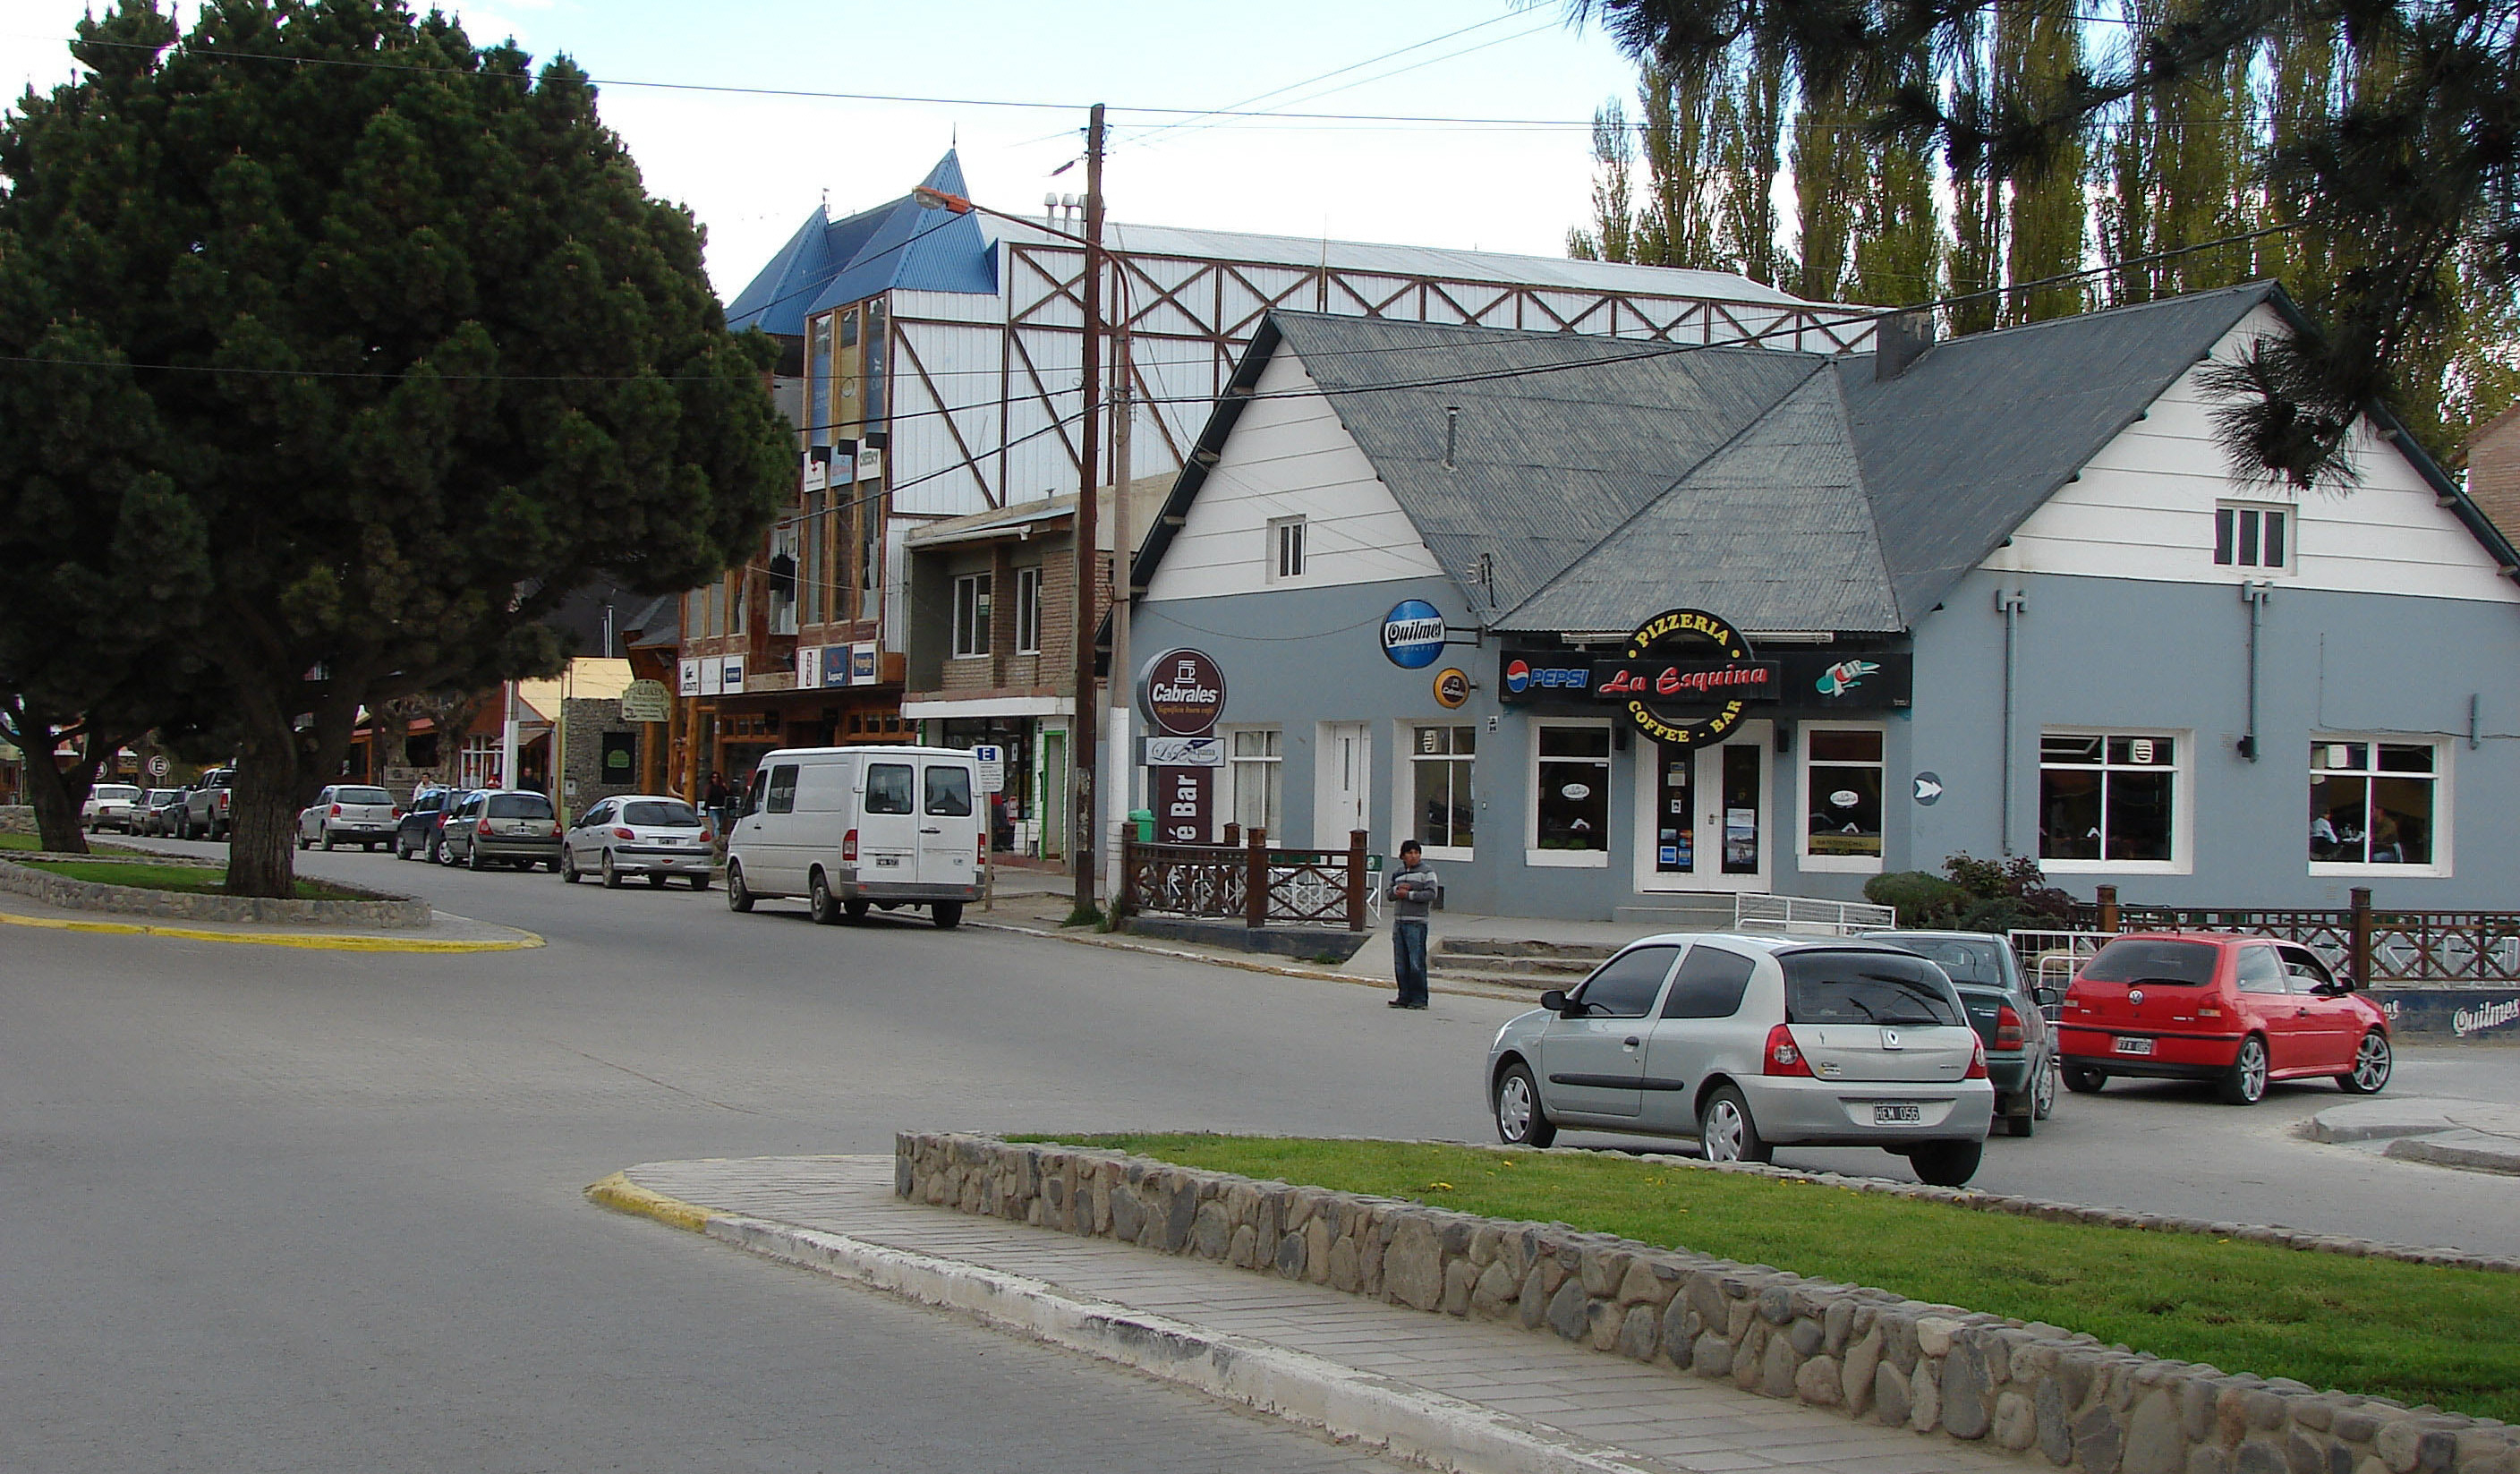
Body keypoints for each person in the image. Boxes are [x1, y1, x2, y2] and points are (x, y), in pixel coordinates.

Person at [1386, 839, 1439, 1010]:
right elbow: (1389, 894)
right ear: (1402, 856)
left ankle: (1420, 999)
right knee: (1401, 963)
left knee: (1416, 962)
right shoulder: (1398, 873)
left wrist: (1409, 895)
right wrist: (1397, 891)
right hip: (1399, 922)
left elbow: (1431, 893)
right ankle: (1404, 996)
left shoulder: (1427, 872)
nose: (1413, 856)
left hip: (1416, 923)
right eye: (1410, 853)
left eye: (1416, 852)